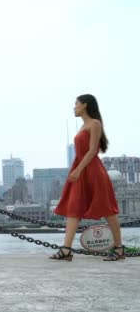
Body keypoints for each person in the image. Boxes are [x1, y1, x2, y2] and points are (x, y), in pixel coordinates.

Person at [50, 94, 124, 261]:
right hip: (80, 170)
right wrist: (76, 170)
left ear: (85, 105)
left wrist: (78, 170)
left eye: (76, 103)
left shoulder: (94, 123)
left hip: (93, 172)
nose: (74, 107)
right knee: (73, 208)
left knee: (107, 209)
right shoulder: (83, 126)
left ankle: (119, 249)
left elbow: (92, 151)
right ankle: (66, 249)